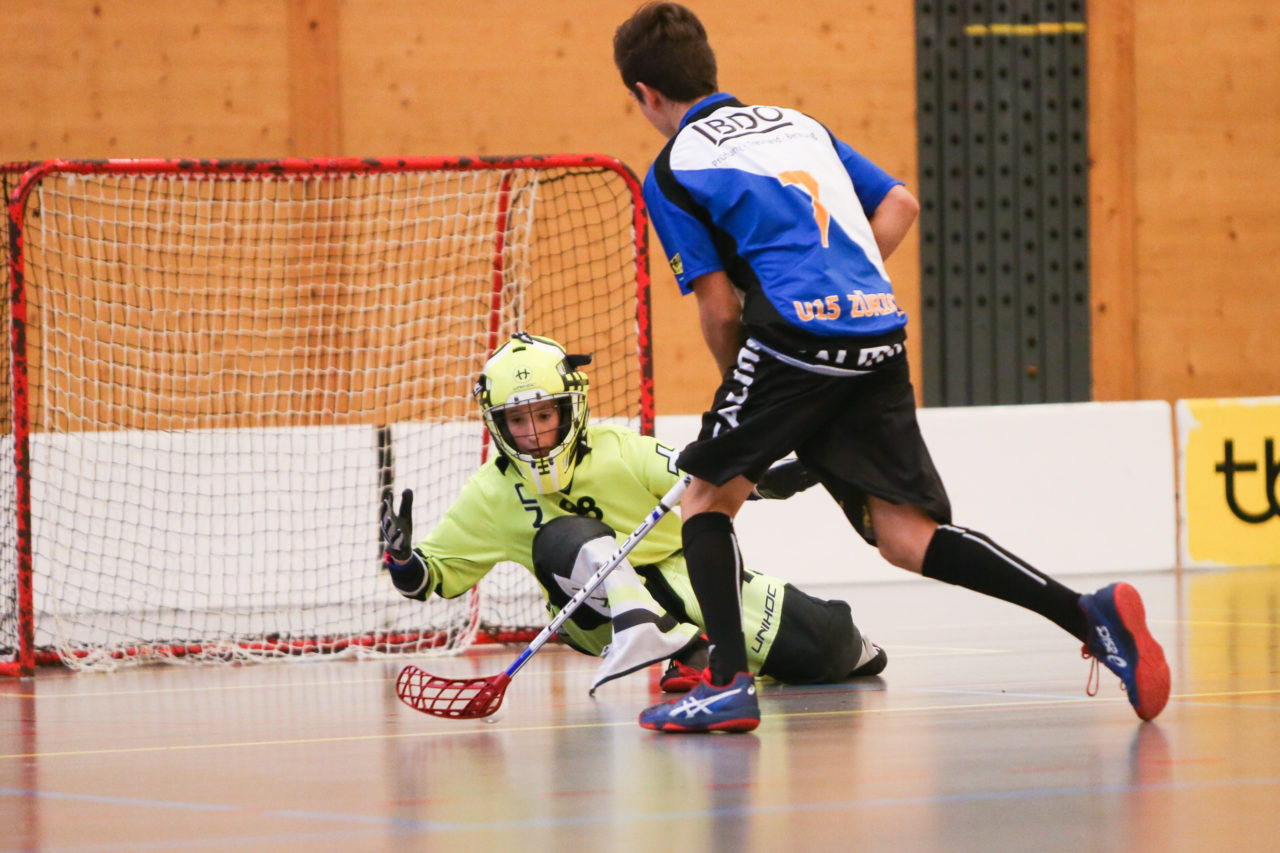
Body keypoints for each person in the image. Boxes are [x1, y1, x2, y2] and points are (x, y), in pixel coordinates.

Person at [613, 2, 1170, 733]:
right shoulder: (797, 125)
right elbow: (900, 206)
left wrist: (740, 393)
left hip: (792, 342)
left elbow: (720, 311)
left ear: (647, 95)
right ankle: (1088, 615)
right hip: (877, 329)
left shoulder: (674, 168)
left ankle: (725, 682)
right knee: (905, 535)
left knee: (705, 500)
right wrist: (840, 295)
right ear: (708, 66)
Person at [379, 331, 887, 697]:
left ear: (569, 409)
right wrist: (402, 560)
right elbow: (429, 579)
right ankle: (683, 651)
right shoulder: (490, 492)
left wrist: (785, 472)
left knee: (829, 652)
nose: (532, 434)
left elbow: (705, 484)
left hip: (687, 581)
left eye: (544, 415)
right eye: (517, 420)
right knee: (561, 536)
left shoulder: (620, 448)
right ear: (498, 425)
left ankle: (703, 652)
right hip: (592, 612)